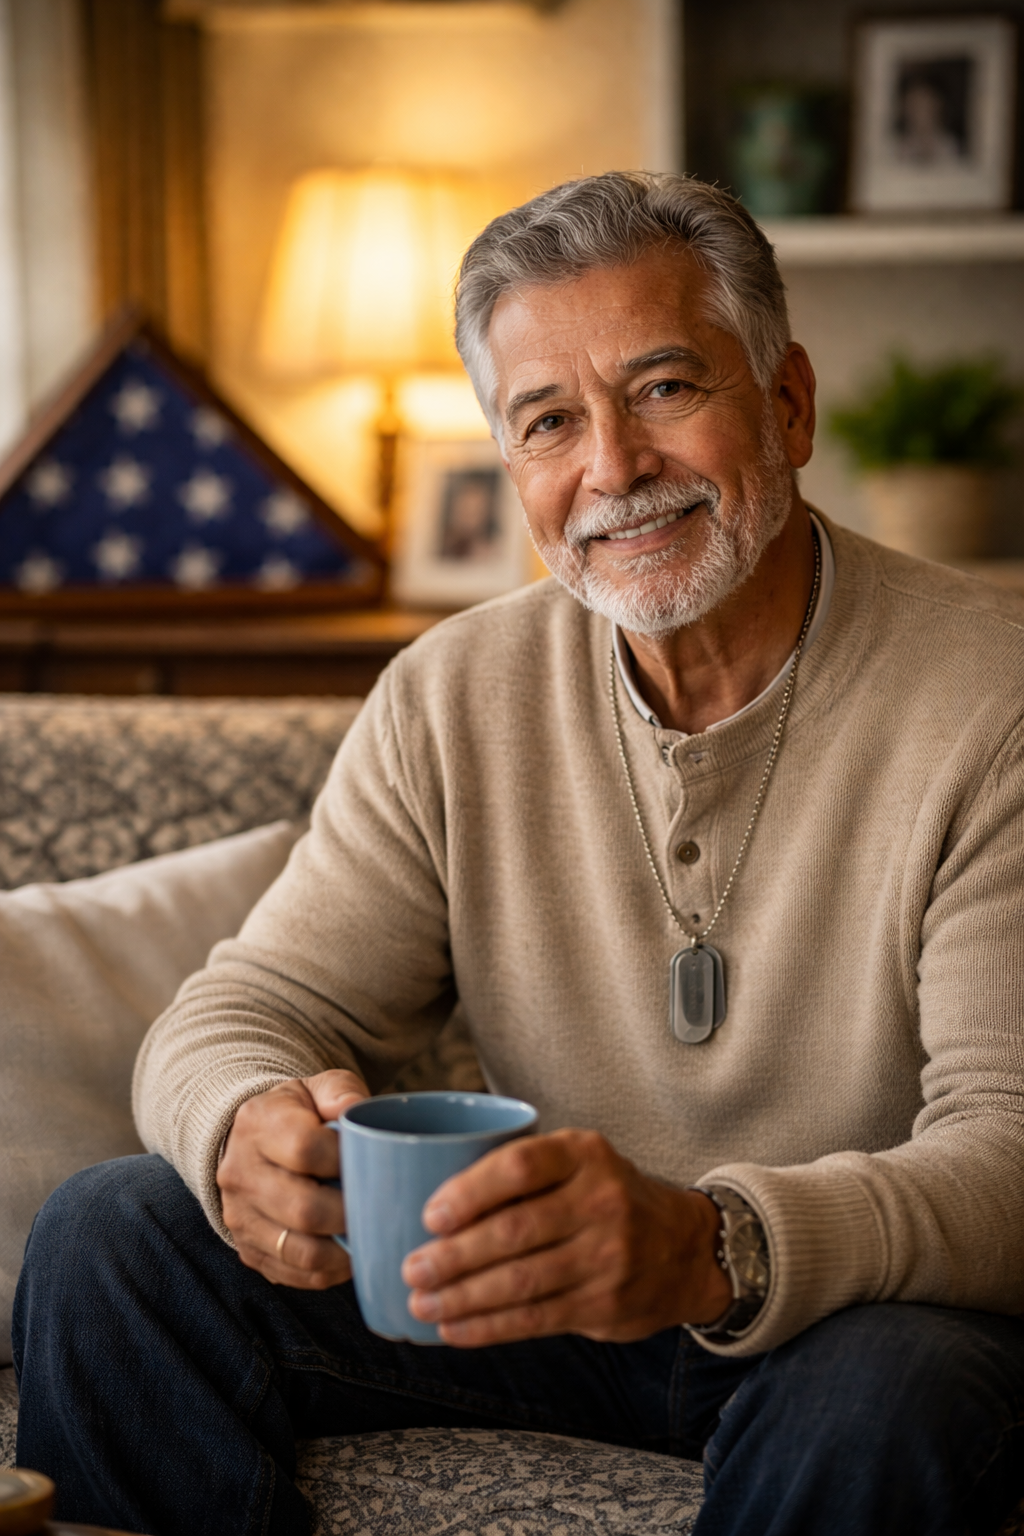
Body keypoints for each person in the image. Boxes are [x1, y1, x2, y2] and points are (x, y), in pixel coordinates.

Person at [14, 172, 1024, 1536]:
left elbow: (1009, 1156)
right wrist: (241, 1122)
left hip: (855, 1321)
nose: (612, 467)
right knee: (111, 1236)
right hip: (549, 1305)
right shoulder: (453, 694)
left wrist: (707, 1243)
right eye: (550, 421)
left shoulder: (992, 698)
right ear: (512, 462)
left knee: (893, 1389)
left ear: (786, 403)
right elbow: (245, 1008)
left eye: (666, 388)